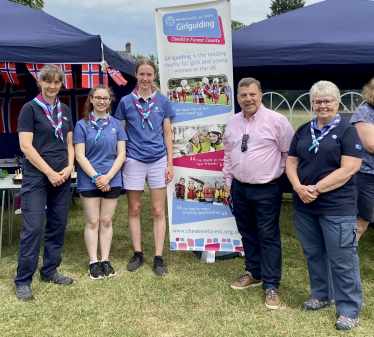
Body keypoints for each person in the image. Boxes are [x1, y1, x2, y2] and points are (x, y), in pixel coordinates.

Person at [286, 80, 363, 331]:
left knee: (342, 258)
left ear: (337, 103)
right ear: (312, 104)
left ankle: (349, 309)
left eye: (327, 101)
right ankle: (321, 295)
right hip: (304, 204)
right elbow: (291, 161)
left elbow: (350, 167)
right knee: (314, 253)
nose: (322, 105)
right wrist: (298, 187)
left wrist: (316, 189)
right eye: (317, 101)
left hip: (336, 206)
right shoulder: (303, 129)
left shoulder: (348, 131)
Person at [223, 77, 294, 310]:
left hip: (266, 188)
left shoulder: (277, 120)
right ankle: (254, 272)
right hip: (240, 188)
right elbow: (228, 152)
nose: (248, 99)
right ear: (238, 98)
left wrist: (274, 173)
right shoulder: (233, 122)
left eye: (252, 94)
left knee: (268, 236)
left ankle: (272, 284)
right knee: (247, 233)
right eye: (243, 95)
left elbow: (289, 153)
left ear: (261, 95)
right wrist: (228, 180)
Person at [14, 64, 75, 301]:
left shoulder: (66, 110)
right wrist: (50, 172)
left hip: (62, 176)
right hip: (38, 176)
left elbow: (69, 144)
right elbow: (25, 146)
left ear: (61, 84)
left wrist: (70, 167)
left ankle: (49, 270)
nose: (52, 86)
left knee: (58, 225)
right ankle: (22, 280)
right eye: (48, 81)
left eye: (57, 82)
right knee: (33, 227)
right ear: (40, 83)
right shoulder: (30, 109)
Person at [115, 58, 175, 276]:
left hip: (158, 159)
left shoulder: (163, 101)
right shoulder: (125, 102)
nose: (145, 78)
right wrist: (120, 162)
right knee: (134, 209)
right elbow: (120, 135)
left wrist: (170, 163)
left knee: (158, 210)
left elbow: (168, 134)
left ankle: (158, 257)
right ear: (136, 75)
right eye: (142, 74)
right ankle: (138, 253)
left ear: (154, 76)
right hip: (134, 159)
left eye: (149, 74)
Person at [74, 85, 127, 279]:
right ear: (91, 99)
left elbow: (121, 154)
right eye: (98, 98)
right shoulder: (82, 125)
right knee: (93, 221)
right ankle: (93, 262)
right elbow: (80, 156)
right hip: (89, 180)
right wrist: (97, 178)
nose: (102, 101)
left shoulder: (116, 125)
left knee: (106, 221)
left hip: (112, 178)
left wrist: (108, 177)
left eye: (105, 98)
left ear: (110, 100)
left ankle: (105, 259)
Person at [350, 78, 374, 241]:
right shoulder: (365, 112)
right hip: (367, 175)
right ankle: (345, 256)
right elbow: (371, 145)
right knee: (361, 223)